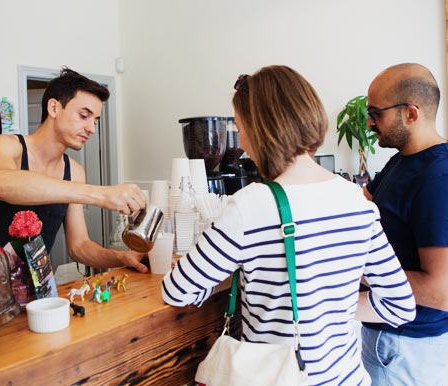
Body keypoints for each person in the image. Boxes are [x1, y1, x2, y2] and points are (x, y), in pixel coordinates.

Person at [162, 65, 416, 385]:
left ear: (260, 129)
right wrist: (328, 310)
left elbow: (176, 290)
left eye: (240, 127)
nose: (240, 140)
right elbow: (400, 307)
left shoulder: (249, 205)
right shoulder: (358, 202)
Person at [0, 67, 149, 273]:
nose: (92, 128)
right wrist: (101, 194)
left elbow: (79, 246)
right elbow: (0, 183)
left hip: (34, 296)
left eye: (95, 120)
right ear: (54, 108)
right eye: (84, 116)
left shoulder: (75, 172)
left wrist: (122, 257)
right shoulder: (6, 146)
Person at [361, 63, 448, 385]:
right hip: (388, 337)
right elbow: (361, 202)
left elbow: (441, 291)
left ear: (411, 113)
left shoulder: (437, 178)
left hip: (408, 348)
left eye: (376, 113)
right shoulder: (402, 160)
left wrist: (353, 268)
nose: (369, 122)